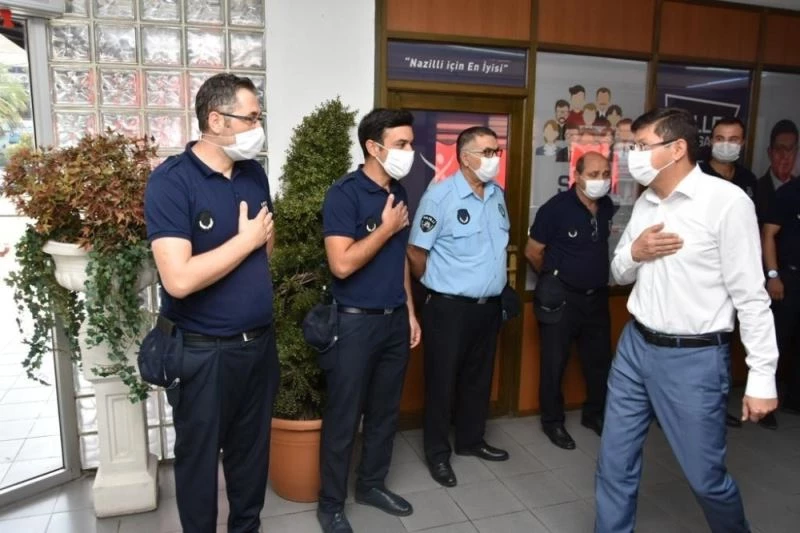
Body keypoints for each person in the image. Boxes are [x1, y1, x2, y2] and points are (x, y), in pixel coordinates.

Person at [595, 108, 779, 533]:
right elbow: (618, 271)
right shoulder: (647, 202)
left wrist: (762, 376)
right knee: (614, 463)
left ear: (677, 148)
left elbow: (751, 297)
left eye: (642, 146)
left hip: (693, 359)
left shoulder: (727, 203)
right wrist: (636, 252)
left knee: (705, 479)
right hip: (635, 347)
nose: (633, 155)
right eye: (632, 147)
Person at [144, 73, 279, 533]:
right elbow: (179, 279)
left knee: (251, 457)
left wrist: (255, 242)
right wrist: (244, 242)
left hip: (258, 346)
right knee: (199, 464)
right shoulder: (171, 182)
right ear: (216, 120)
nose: (259, 127)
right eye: (252, 118)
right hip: (203, 353)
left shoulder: (253, 173)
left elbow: (267, 246)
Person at [318, 108, 421, 533]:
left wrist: (410, 311)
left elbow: (399, 262)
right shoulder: (343, 194)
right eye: (402, 144)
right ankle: (330, 505)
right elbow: (341, 264)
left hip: (394, 320)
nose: (410, 151)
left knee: (384, 413)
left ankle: (371, 485)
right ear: (373, 147)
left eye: (411, 143)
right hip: (354, 324)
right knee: (344, 418)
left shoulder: (400, 192)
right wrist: (385, 228)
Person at [407, 126, 510, 489]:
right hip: (448, 308)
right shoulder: (440, 197)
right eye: (487, 152)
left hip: (488, 307)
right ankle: (438, 453)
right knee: (442, 381)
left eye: (496, 152)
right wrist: (434, 285)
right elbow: (415, 252)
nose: (494, 159)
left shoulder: (497, 194)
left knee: (478, 378)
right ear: (465, 157)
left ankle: (470, 439)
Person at [525, 151, 613, 450]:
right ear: (577, 176)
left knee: (599, 362)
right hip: (562, 298)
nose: (600, 180)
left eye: (605, 174)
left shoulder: (606, 206)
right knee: (554, 363)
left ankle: (594, 414)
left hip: (596, 298)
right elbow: (533, 251)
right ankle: (553, 422)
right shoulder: (556, 209)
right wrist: (553, 276)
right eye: (593, 174)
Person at [762, 176, 800, 417]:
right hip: (788, 279)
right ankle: (765, 404)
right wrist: (773, 275)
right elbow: (768, 234)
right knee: (777, 342)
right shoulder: (790, 192)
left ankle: (795, 400)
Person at [699, 117, 757, 200]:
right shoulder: (697, 174)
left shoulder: (748, 178)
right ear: (711, 141)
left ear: (742, 143)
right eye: (719, 139)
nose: (725, 144)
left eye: (733, 139)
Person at [755, 119, 798, 225]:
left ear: (796, 152)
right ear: (770, 153)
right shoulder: (756, 190)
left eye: (790, 149)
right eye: (779, 149)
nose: (785, 156)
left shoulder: (798, 188)